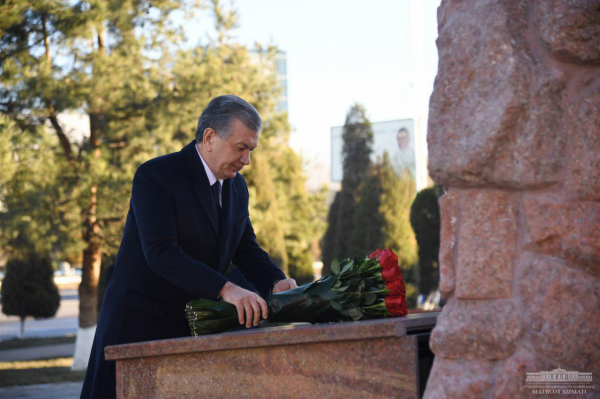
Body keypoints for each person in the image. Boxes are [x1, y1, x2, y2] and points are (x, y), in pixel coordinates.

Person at [81, 95, 298, 398]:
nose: (247, 160)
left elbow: (245, 247)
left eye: (251, 149)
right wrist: (227, 289)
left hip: (192, 328)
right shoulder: (156, 175)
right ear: (210, 137)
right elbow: (161, 253)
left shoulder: (237, 186)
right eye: (241, 148)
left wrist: (276, 281)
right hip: (137, 327)